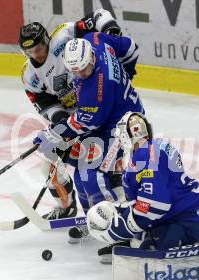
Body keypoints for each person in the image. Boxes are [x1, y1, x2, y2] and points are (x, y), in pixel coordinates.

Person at [33, 34, 143, 243]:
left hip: (124, 125)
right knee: (81, 176)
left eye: (84, 68)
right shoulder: (94, 39)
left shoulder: (99, 87)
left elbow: (85, 123)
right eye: (75, 71)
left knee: (92, 173)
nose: (81, 74)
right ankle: (96, 221)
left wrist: (52, 134)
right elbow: (131, 47)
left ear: (92, 57)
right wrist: (128, 74)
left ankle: (116, 230)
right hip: (110, 117)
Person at [18, 9, 124, 221]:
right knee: (49, 163)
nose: (37, 54)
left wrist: (109, 28)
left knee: (105, 164)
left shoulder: (63, 36)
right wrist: (60, 120)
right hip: (73, 119)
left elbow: (97, 16)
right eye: (31, 52)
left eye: (39, 48)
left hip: (100, 106)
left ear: (47, 40)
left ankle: (119, 210)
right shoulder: (30, 76)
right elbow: (43, 103)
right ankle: (66, 206)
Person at [86, 112, 199, 263]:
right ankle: (137, 241)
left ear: (126, 136)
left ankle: (151, 244)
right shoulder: (153, 147)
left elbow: (156, 205)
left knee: (147, 250)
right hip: (179, 216)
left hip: (183, 223)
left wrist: (124, 226)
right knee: (135, 235)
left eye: (120, 138)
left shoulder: (145, 156)